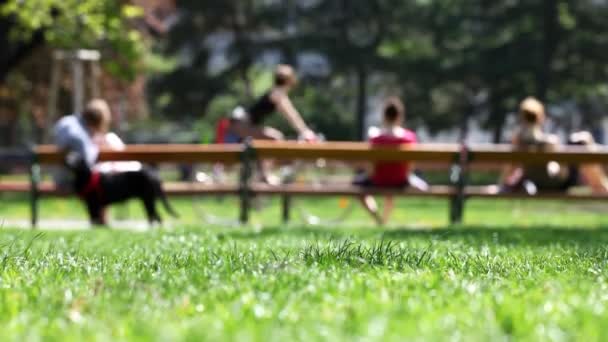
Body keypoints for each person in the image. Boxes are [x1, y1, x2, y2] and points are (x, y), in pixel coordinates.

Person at [499, 97, 608, 194]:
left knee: (580, 142)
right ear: (540, 117)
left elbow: (511, 167)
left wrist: (501, 185)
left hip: (538, 182)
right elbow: (558, 171)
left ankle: (601, 187)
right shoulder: (548, 141)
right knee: (583, 140)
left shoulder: (518, 141)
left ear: (522, 117)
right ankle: (602, 187)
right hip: (557, 183)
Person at [353, 97, 428, 225]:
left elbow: (371, 167)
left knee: (357, 184)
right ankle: (384, 220)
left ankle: (378, 219)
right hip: (400, 181)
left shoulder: (376, 139)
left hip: (379, 180)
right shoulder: (409, 138)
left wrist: (369, 175)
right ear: (400, 116)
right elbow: (410, 166)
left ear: (384, 116)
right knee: (393, 183)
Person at [229, 64, 316, 141]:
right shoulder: (278, 94)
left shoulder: (275, 92)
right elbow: (291, 115)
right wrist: (305, 131)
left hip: (241, 124)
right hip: (242, 125)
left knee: (273, 140)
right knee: (276, 138)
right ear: (290, 81)